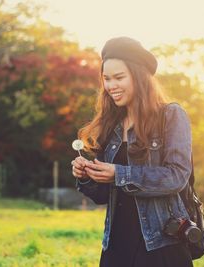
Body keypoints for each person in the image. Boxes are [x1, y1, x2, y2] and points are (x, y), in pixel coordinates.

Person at [71, 37, 194, 267]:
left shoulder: (171, 116)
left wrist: (119, 174)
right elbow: (101, 196)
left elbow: (176, 177)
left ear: (139, 77)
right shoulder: (111, 124)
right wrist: (87, 175)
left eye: (119, 77)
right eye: (106, 79)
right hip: (117, 246)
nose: (111, 86)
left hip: (161, 245)